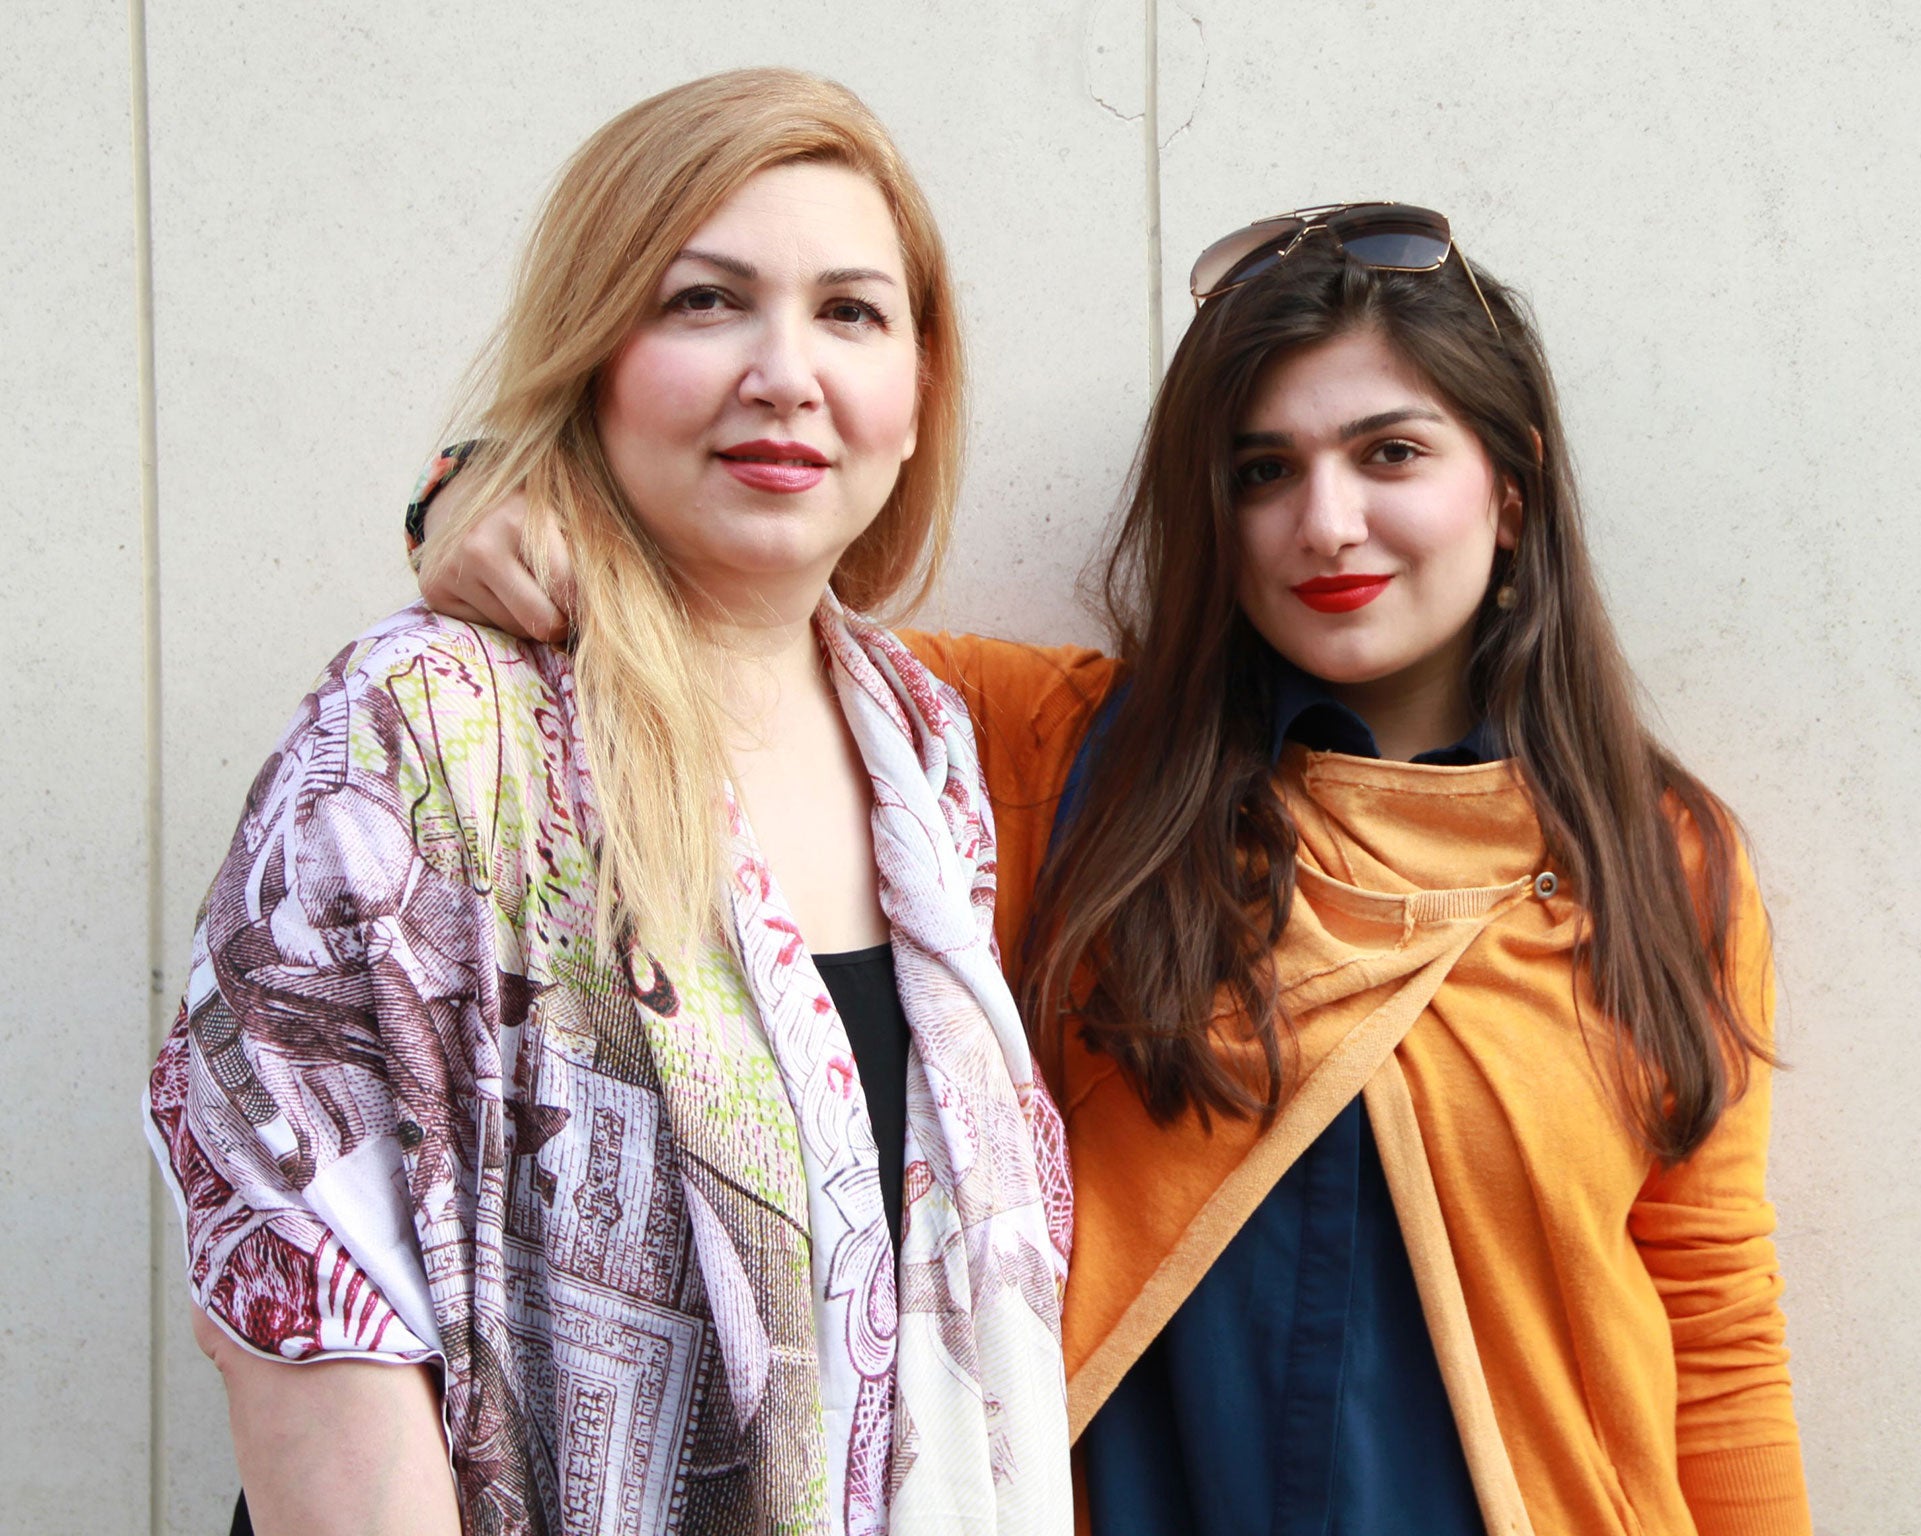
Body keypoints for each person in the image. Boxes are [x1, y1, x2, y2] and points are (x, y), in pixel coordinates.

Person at [413, 206, 1811, 1533]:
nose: (1324, 525)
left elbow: (1716, 1312)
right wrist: (476, 494)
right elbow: (736, 619)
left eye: (1391, 454)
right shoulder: (1060, 756)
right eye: (1264, 471)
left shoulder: (1661, 858)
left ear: (1511, 492)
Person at [145, 70, 1074, 1536]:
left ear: (919, 387)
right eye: (706, 302)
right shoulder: (426, 728)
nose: (787, 372)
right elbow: (299, 1272)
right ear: (595, 354)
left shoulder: (928, 743)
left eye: (850, 312)